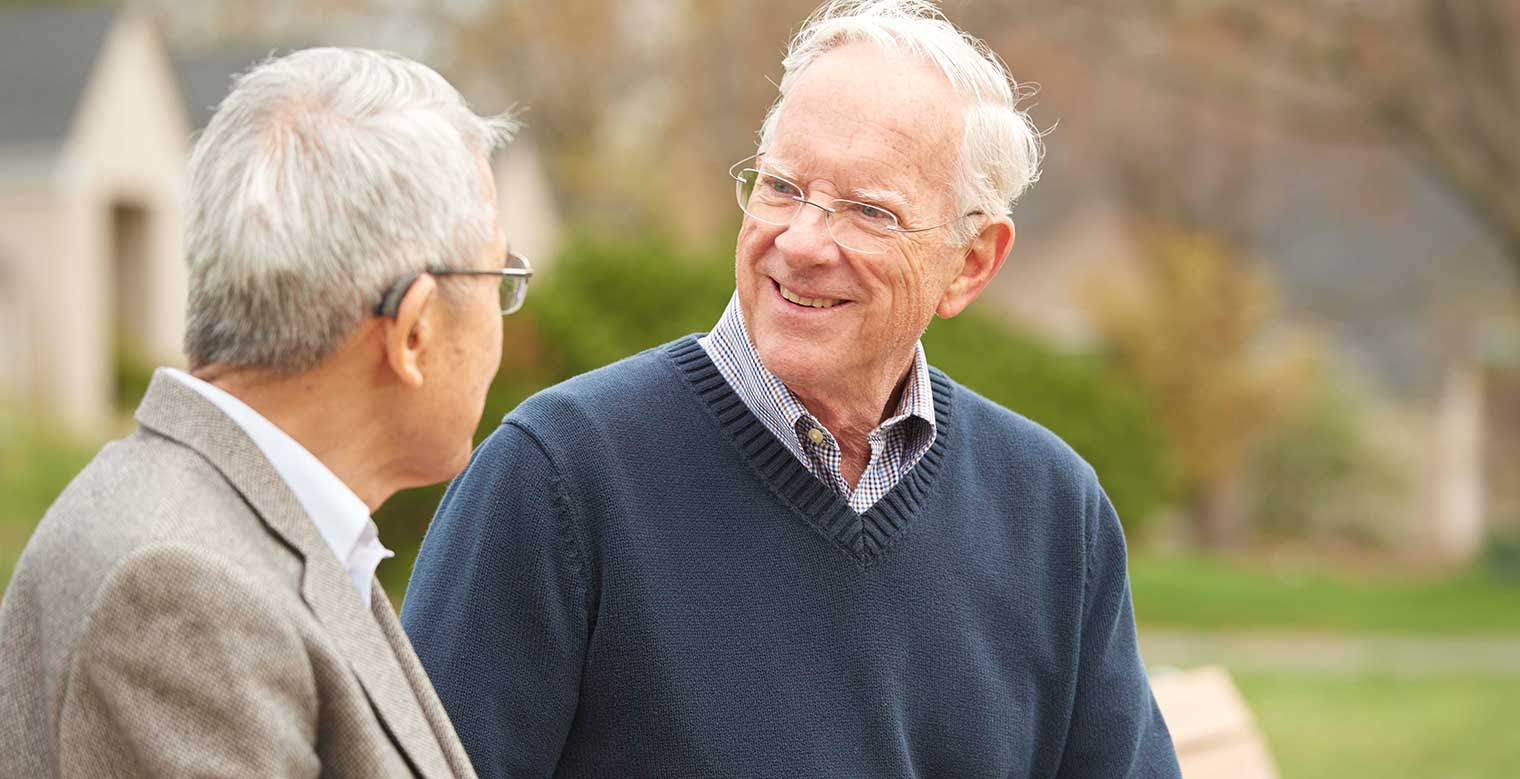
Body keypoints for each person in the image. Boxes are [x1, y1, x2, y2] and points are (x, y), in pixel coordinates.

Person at [402, 1, 1180, 776]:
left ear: (971, 261)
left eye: (869, 210)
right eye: (781, 186)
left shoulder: (1052, 511)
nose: (802, 241)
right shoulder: (559, 476)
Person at [0, 47, 527, 778]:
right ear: (414, 330)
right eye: (499, 277)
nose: (504, 314)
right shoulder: (181, 587)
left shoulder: (255, 534)